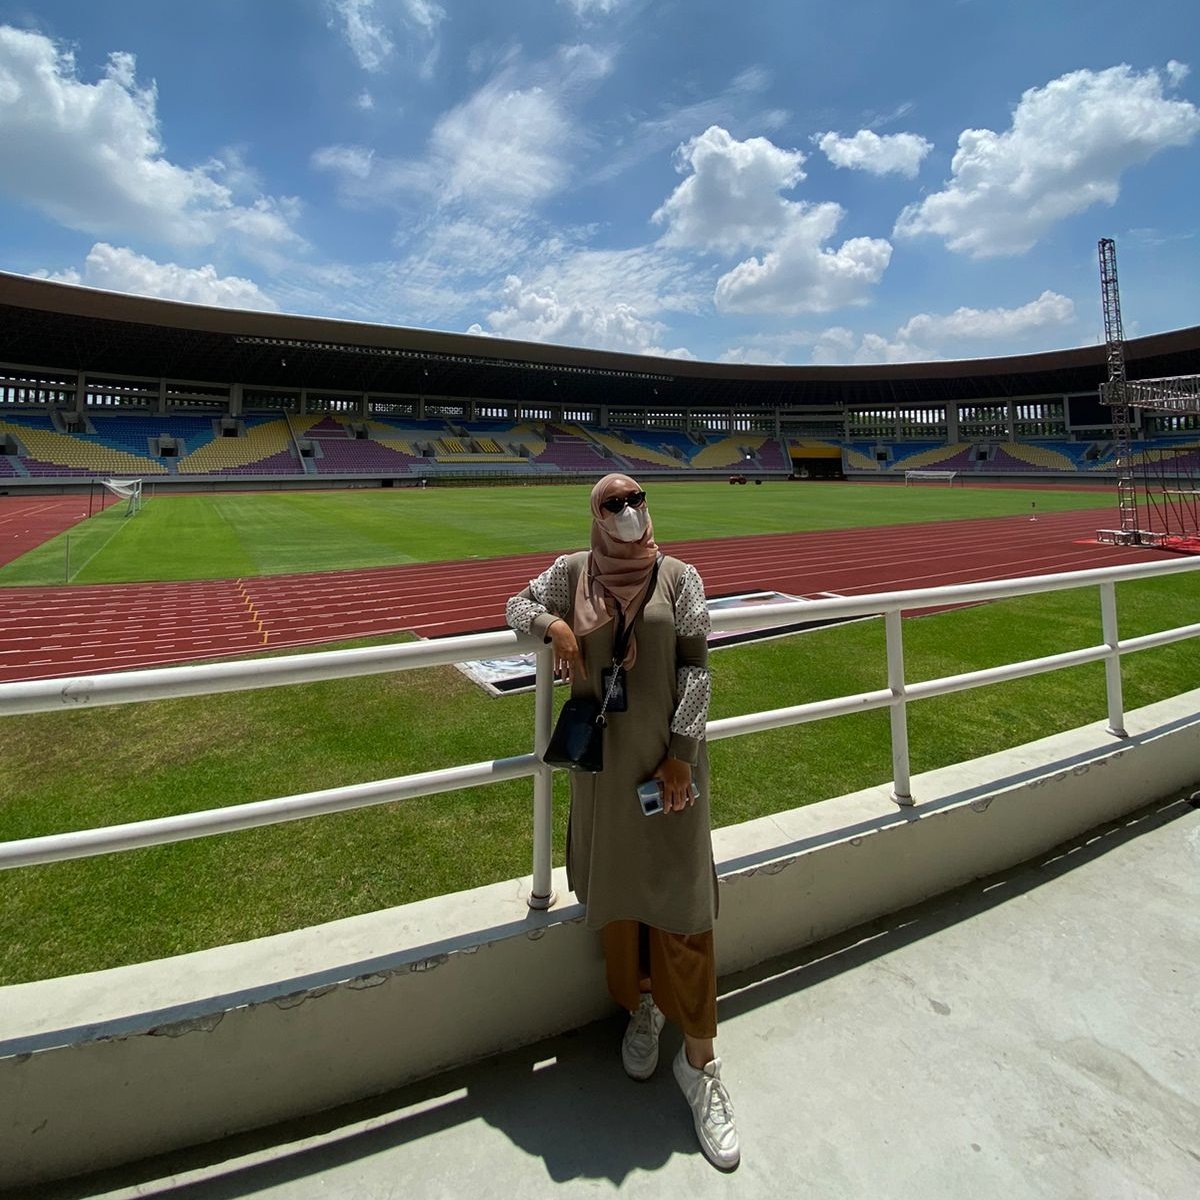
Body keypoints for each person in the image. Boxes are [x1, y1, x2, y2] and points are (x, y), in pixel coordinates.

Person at [506, 473, 739, 1170]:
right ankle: (643, 1008)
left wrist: (682, 756)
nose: (628, 511)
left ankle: (700, 1064)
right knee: (621, 905)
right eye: (613, 503)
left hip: (669, 776)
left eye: (636, 499)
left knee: (683, 909)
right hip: (605, 779)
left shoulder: (681, 577)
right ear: (594, 515)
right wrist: (551, 625)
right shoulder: (570, 573)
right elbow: (515, 604)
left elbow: (697, 670)